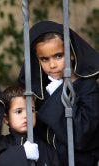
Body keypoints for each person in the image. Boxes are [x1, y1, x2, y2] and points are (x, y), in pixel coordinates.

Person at [18, 20, 99, 166]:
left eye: (58, 56)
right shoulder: (37, 90)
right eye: (44, 59)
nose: (52, 65)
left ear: (72, 54)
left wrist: (59, 91)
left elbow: (83, 134)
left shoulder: (87, 85)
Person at [0, 85, 60, 166]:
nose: (26, 115)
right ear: (6, 118)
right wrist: (23, 152)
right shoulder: (1, 144)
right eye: (19, 111)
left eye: (31, 110)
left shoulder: (47, 148)